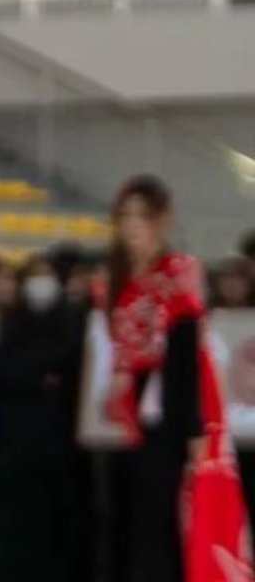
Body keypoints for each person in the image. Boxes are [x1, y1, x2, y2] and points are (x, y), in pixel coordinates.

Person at [105, 175, 250, 582]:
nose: (133, 225)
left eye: (143, 215)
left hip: (175, 418)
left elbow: (186, 358)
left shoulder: (178, 273)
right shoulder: (120, 280)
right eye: (126, 215)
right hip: (133, 420)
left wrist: (193, 429)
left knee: (173, 522)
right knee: (136, 521)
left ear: (162, 220)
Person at [0, 250, 92, 582]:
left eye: (45, 276)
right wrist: (39, 375)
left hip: (63, 441)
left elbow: (71, 365)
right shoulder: (11, 323)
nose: (39, 284)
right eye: (33, 277)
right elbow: (0, 368)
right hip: (18, 436)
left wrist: (40, 371)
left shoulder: (71, 322)